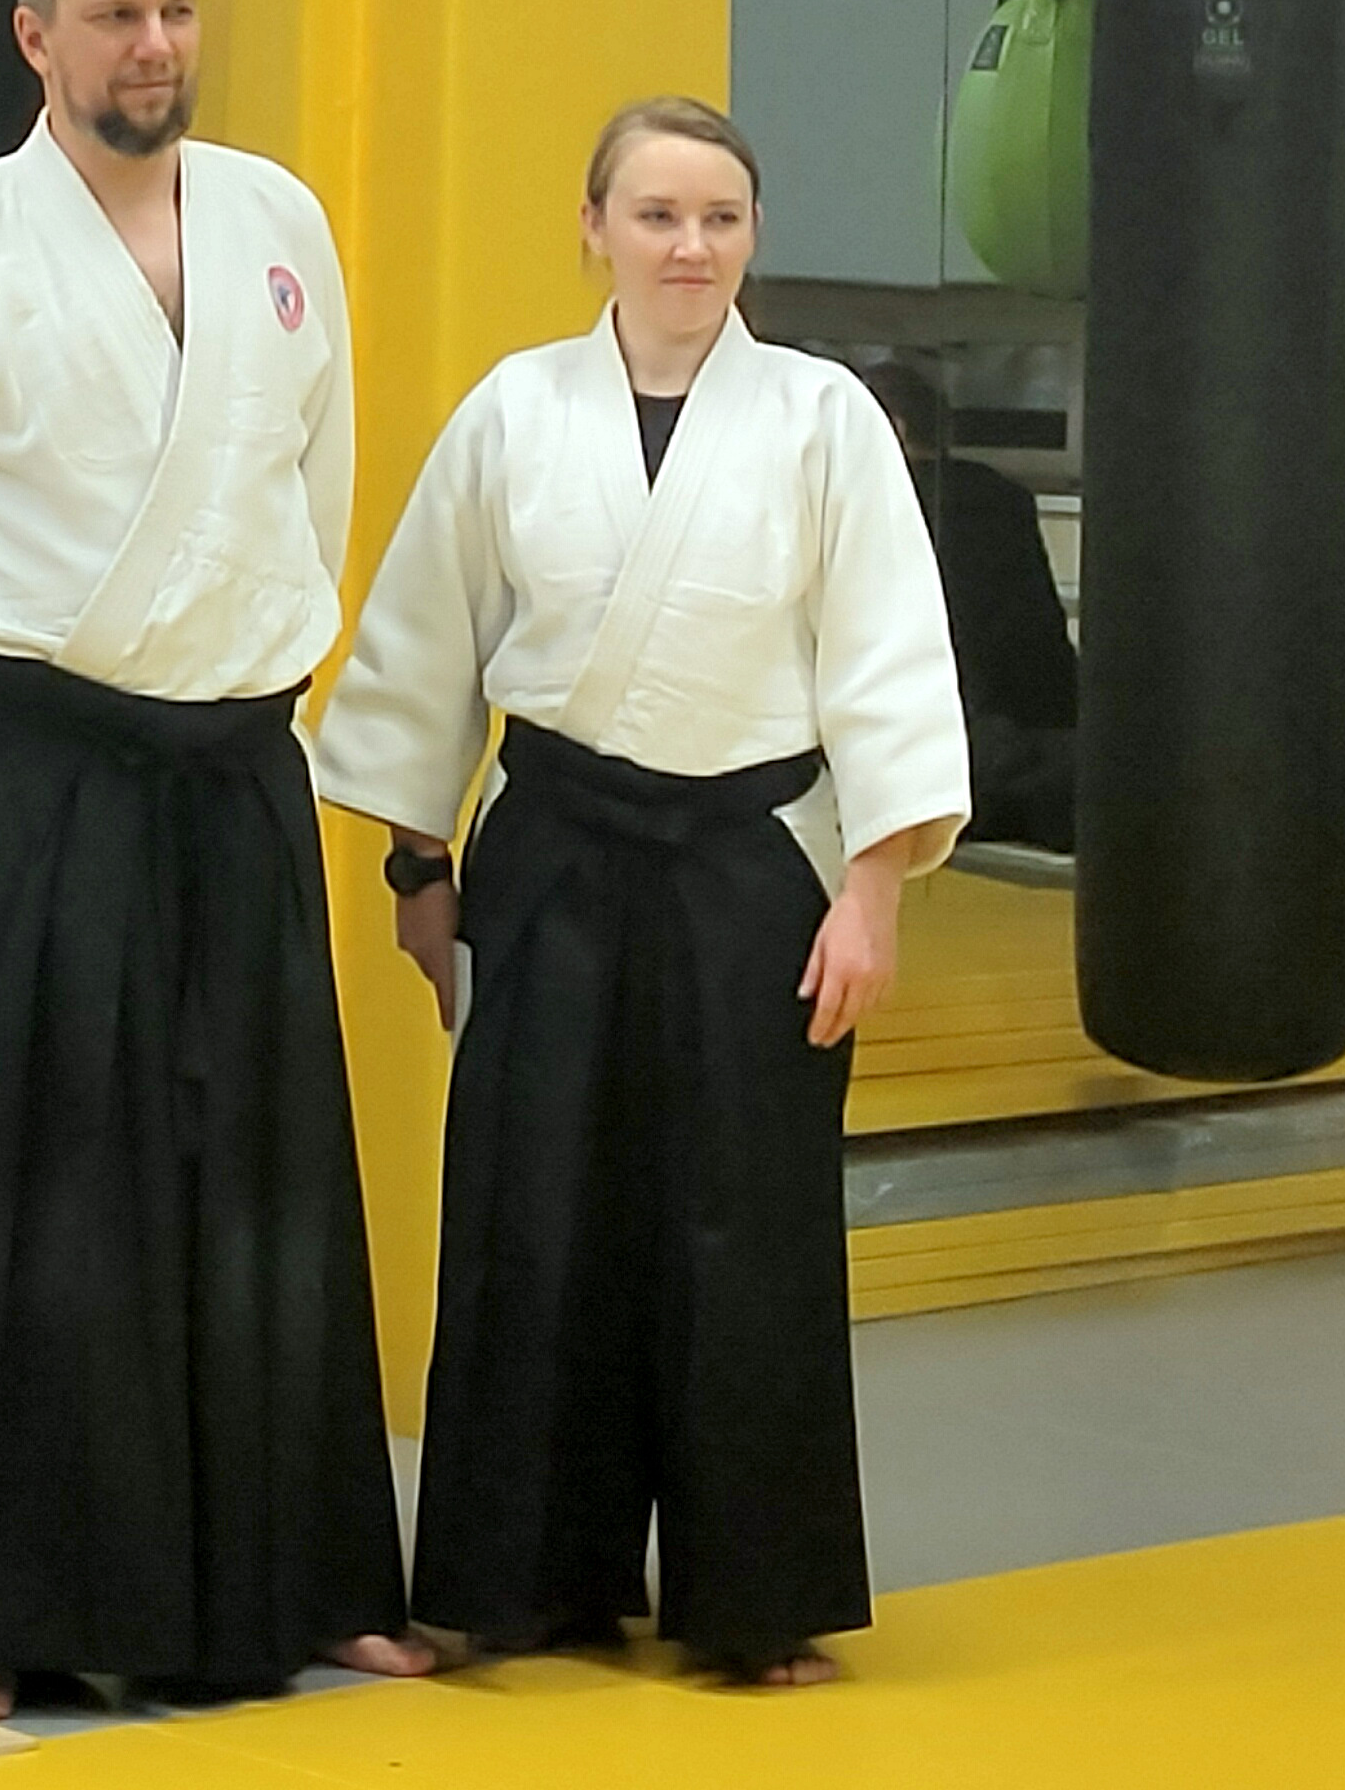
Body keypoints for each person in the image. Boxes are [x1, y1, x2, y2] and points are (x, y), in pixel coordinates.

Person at [0, 0, 427, 1713]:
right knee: (31, 1188)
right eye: (114, 17)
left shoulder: (278, 221)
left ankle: (303, 1575)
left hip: (232, 758)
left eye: (174, 11)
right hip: (40, 767)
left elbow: (313, 479)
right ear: (33, 35)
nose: (153, 46)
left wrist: (255, 664)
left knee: (267, 1181)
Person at [315, 99, 968, 1689]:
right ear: (593, 227)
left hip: (753, 862)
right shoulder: (513, 412)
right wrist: (419, 863)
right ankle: (520, 1578)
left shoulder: (822, 420)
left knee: (748, 1223)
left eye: (720, 218)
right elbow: (427, 642)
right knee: (528, 1209)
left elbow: (888, 660)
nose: (691, 247)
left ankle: (757, 1595)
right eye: (659, 215)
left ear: (753, 237)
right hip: (554, 850)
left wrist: (873, 891)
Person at [860, 358, 1078, 850]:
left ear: (892, 429)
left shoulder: (879, 510)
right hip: (1027, 750)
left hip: (933, 767)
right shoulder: (1005, 501)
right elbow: (1041, 649)